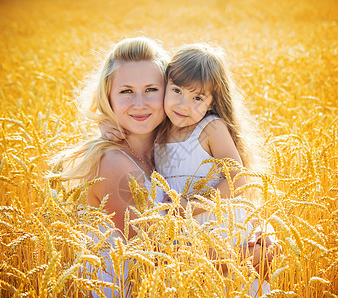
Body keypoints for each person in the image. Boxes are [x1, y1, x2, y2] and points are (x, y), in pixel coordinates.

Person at [100, 43, 275, 296]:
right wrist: (105, 127)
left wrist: (189, 208)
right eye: (176, 92)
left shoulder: (210, 128)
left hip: (220, 228)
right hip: (193, 241)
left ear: (213, 101)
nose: (183, 105)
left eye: (197, 98)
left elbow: (239, 177)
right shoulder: (160, 132)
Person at [56, 36, 169, 297]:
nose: (139, 103)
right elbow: (154, 258)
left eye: (151, 89)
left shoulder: (170, 151)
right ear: (108, 96)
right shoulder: (112, 164)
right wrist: (242, 255)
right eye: (126, 91)